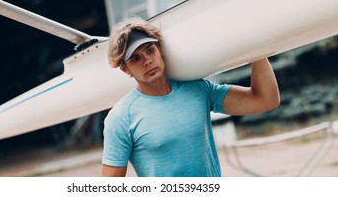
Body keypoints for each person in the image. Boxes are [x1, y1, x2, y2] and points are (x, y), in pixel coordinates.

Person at [101, 17, 280, 177]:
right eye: (135, 59)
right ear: (125, 68)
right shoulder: (121, 118)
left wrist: (255, 50)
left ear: (160, 50)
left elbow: (265, 100)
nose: (147, 60)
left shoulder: (198, 89)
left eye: (150, 50)